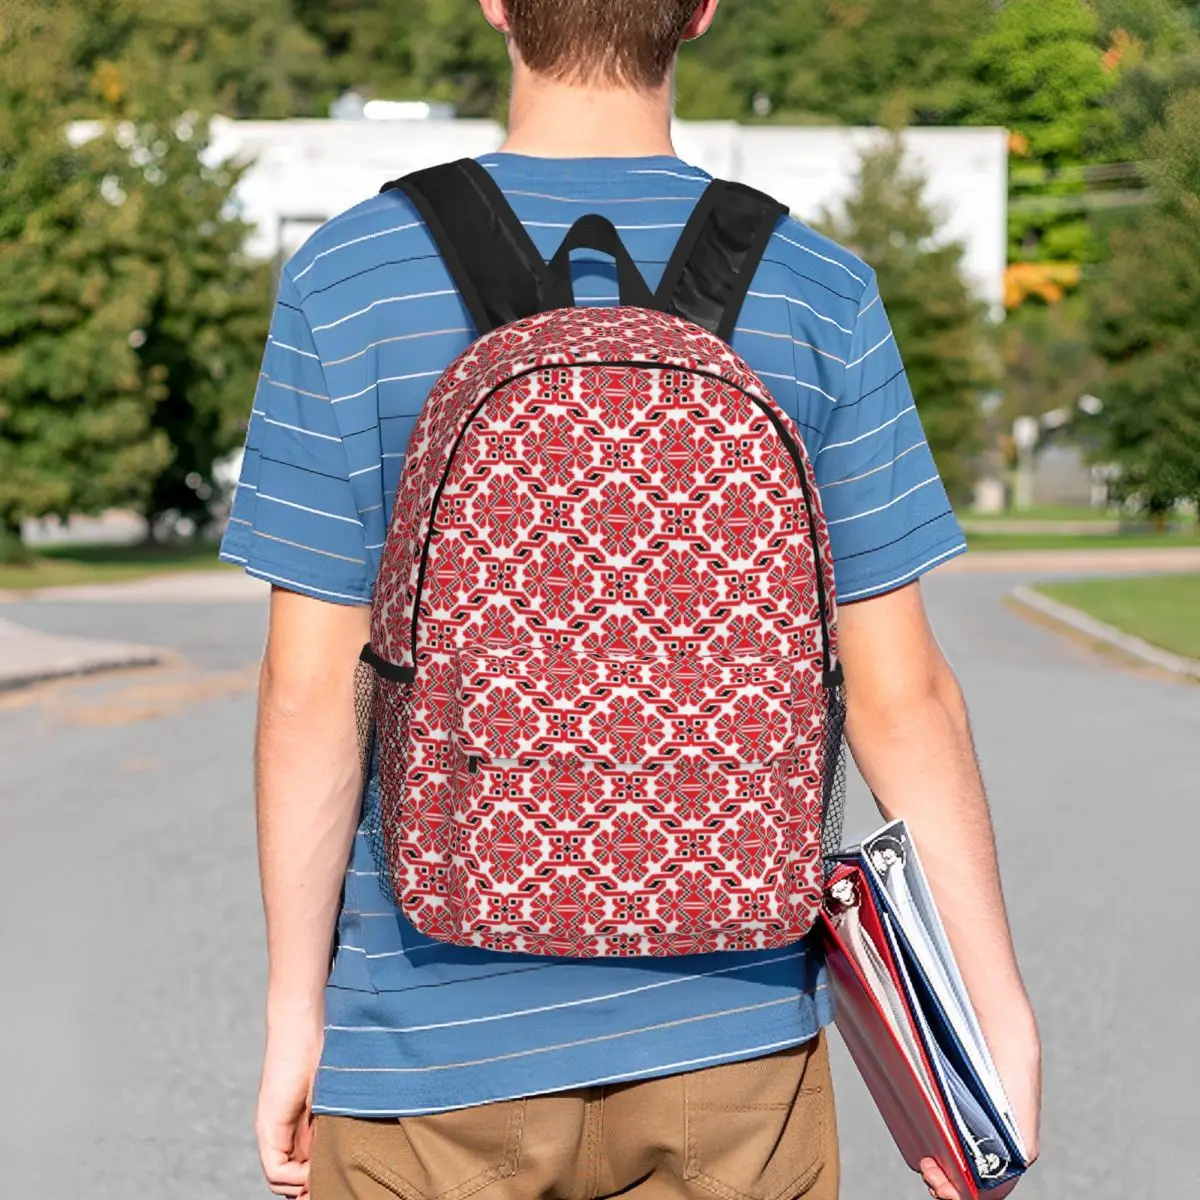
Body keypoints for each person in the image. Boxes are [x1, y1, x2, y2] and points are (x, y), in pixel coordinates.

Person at [221, 3, 1041, 1198]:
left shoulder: (351, 279)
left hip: (427, 1043)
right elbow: (901, 693)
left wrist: (298, 1012)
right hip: (735, 1040)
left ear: (497, 3)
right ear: (701, 10)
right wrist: (988, 1012)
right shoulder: (818, 289)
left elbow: (309, 690)